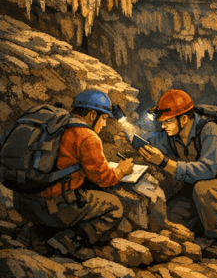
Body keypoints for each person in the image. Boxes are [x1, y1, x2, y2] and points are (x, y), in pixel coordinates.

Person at [14, 90, 131, 257]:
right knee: (114, 206)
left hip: (23, 201)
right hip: (51, 208)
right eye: (104, 118)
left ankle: (36, 234)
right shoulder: (87, 136)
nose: (104, 124)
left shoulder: (53, 126)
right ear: (92, 115)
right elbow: (105, 178)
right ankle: (67, 242)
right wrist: (121, 170)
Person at [140, 89, 217, 259]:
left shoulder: (211, 132)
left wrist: (164, 162)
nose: (163, 126)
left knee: (204, 188)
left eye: (168, 121)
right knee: (173, 217)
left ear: (184, 119)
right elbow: (148, 142)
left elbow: (207, 171)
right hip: (199, 193)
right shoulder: (172, 136)